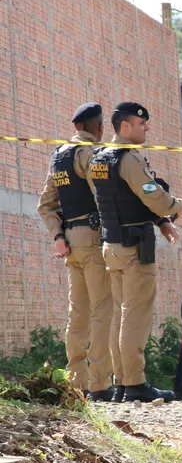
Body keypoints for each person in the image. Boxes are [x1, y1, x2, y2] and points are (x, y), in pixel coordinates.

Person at [89, 102, 182, 403]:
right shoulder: (129, 159)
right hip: (133, 247)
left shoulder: (100, 158)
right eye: (141, 124)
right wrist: (175, 208)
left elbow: (119, 198)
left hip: (112, 245)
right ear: (125, 127)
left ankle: (121, 383)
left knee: (121, 315)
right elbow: (153, 197)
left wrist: (160, 222)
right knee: (136, 316)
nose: (146, 128)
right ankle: (135, 383)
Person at [36, 102, 118, 401]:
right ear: (97, 126)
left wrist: (58, 235)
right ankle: (99, 384)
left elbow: (45, 204)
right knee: (102, 310)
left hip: (70, 241)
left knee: (78, 313)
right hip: (93, 238)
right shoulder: (90, 154)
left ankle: (75, 383)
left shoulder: (59, 156)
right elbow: (103, 194)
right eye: (102, 125)